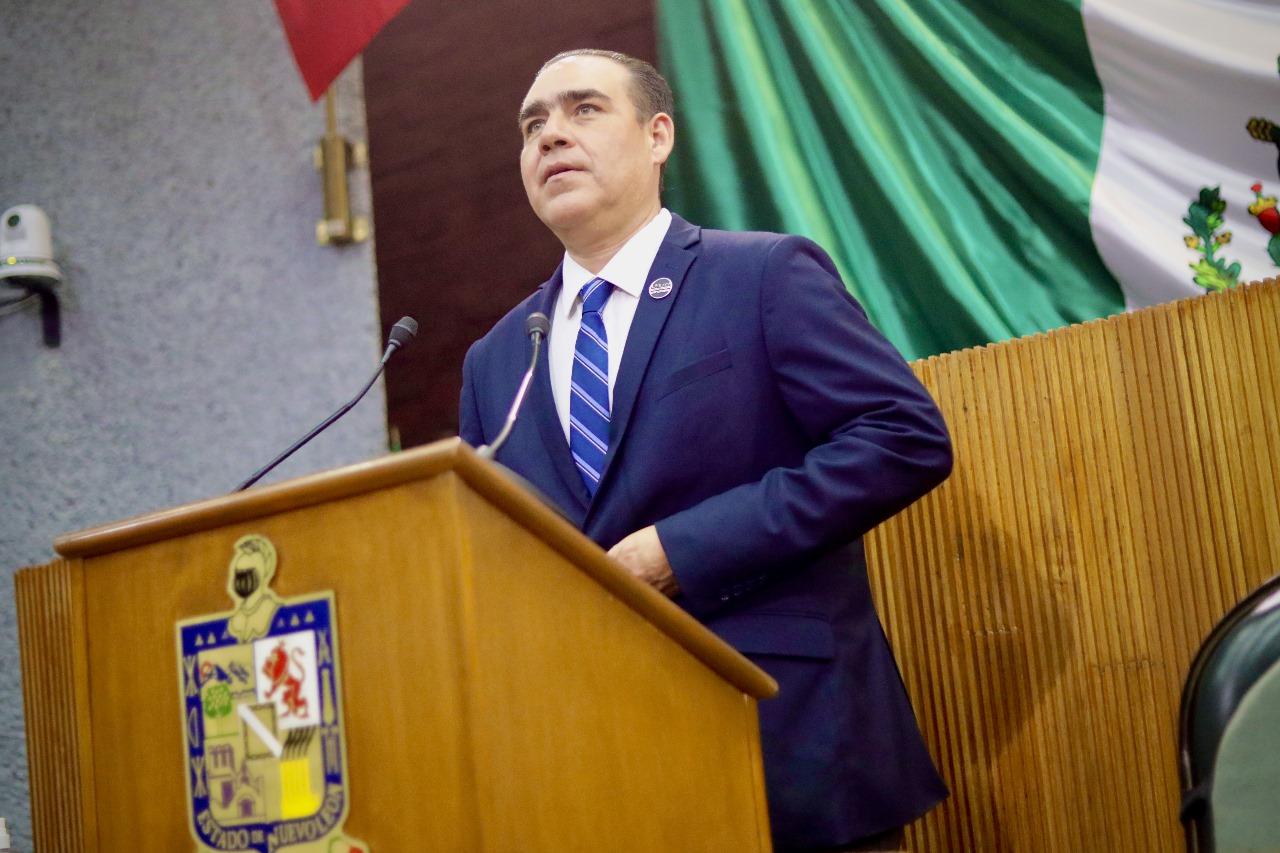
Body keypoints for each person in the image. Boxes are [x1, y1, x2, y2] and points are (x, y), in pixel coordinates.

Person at [458, 48, 952, 852]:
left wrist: (678, 550)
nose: (550, 135)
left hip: (786, 743)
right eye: (532, 125)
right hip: (598, 782)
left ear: (658, 136)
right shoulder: (498, 359)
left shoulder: (760, 275)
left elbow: (902, 436)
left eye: (584, 110)